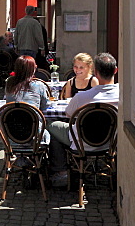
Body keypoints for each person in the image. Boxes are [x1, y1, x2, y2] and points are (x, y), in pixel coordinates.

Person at [47, 52, 119, 180]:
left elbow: (69, 114)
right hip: (110, 141)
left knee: (50, 125)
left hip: (81, 140)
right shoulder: (123, 94)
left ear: (95, 72)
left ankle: (61, 170)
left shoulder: (81, 97)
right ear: (115, 70)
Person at [0, 55, 50, 151]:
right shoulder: (39, 85)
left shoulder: (9, 83)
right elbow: (45, 106)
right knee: (51, 128)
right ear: (32, 69)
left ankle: (16, 159)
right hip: (34, 134)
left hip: (9, 134)